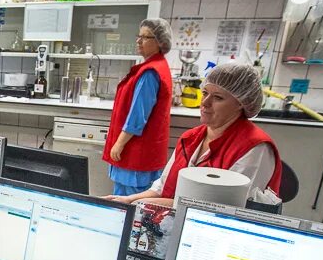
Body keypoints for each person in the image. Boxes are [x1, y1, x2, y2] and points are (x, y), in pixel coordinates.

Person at [106, 62, 281, 207]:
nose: (204, 103)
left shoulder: (254, 147)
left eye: (218, 98)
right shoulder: (190, 138)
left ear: (242, 103)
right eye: (205, 93)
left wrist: (148, 203)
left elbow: (226, 209)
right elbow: (162, 186)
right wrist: (127, 200)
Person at [102, 18, 174, 195]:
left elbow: (137, 116)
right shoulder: (155, 66)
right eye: (138, 36)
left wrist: (119, 144)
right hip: (143, 152)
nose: (138, 41)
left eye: (145, 37)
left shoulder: (150, 73)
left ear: (160, 42)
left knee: (129, 204)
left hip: (135, 153)